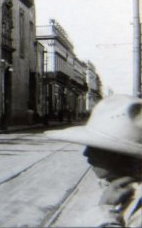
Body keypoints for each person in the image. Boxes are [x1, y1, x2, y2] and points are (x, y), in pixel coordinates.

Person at [46, 95, 142, 227]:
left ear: (118, 154)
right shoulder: (126, 191)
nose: (85, 153)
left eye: (93, 147)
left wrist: (103, 209)